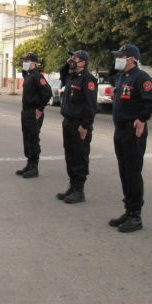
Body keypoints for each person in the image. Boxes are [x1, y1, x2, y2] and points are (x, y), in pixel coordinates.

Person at [108, 44, 152, 233]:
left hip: (133, 132)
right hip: (120, 130)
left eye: (120, 57)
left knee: (132, 173)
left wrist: (142, 118)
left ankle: (136, 216)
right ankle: (128, 210)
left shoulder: (141, 77)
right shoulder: (123, 77)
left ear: (131, 59)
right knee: (124, 172)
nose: (117, 59)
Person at [56, 50, 97, 204]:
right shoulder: (71, 77)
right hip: (68, 122)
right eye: (71, 58)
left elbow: (91, 106)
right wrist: (67, 64)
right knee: (70, 155)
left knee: (80, 156)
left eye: (75, 58)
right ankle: (72, 187)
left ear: (83, 63)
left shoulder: (88, 79)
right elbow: (62, 74)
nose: (72, 60)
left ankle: (79, 190)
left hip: (80, 124)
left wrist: (85, 125)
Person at [15, 53, 53, 179]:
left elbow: (48, 92)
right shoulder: (29, 75)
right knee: (27, 138)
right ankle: (29, 164)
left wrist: (40, 108)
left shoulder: (38, 76)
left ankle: (34, 167)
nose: (24, 63)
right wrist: (24, 71)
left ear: (34, 63)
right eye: (24, 61)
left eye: (27, 61)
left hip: (33, 112)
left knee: (33, 138)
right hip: (26, 111)